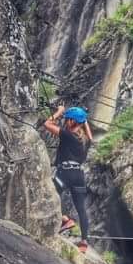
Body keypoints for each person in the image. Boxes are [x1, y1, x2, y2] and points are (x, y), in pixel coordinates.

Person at [44, 105, 93, 252]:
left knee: (50, 191)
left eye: (67, 119)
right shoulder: (86, 141)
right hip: (78, 175)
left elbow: (47, 124)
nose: (65, 121)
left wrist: (59, 112)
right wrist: (84, 119)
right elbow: (90, 136)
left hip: (65, 173)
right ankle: (84, 242)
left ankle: (65, 219)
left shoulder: (67, 135)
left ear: (72, 122)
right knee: (81, 208)